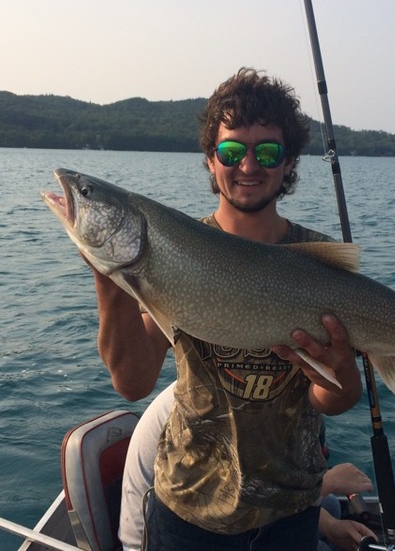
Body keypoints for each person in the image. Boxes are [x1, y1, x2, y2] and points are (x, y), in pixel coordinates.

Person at [88, 67, 363, 549]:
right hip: (188, 510)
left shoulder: (318, 261)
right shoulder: (174, 248)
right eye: (232, 151)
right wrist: (110, 278)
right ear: (211, 160)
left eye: (267, 152)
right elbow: (132, 384)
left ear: (289, 162)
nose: (248, 166)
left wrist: (340, 374)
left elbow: (332, 401)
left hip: (291, 513)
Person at [119, 383, 377, 551]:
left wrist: (330, 525)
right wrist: (326, 483)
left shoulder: (276, 400)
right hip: (157, 531)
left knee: (331, 506)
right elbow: (235, 494)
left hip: (226, 502)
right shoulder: (213, 404)